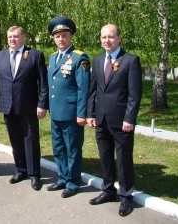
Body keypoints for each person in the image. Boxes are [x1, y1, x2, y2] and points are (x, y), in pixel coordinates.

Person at [86, 24, 142, 217]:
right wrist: (90, 114)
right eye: (103, 37)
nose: (106, 41)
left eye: (110, 37)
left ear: (119, 38)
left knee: (124, 160)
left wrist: (129, 118)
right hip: (100, 119)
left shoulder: (131, 61)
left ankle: (126, 197)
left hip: (121, 122)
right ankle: (108, 190)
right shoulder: (98, 60)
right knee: (105, 157)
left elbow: (135, 95)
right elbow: (93, 90)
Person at [0, 26, 48, 191]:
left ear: (23, 37)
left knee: (31, 141)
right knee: (15, 141)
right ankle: (21, 170)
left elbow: (43, 83)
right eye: (9, 37)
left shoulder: (35, 55)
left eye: (15, 36)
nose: (12, 39)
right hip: (8, 107)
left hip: (28, 107)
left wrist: (42, 104)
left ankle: (34, 175)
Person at [46, 17, 90, 198]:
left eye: (64, 35)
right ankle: (63, 178)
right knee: (58, 148)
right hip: (56, 112)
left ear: (71, 36)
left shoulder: (80, 57)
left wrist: (82, 114)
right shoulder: (53, 57)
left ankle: (73, 182)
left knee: (72, 149)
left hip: (72, 114)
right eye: (57, 36)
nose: (61, 39)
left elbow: (83, 88)